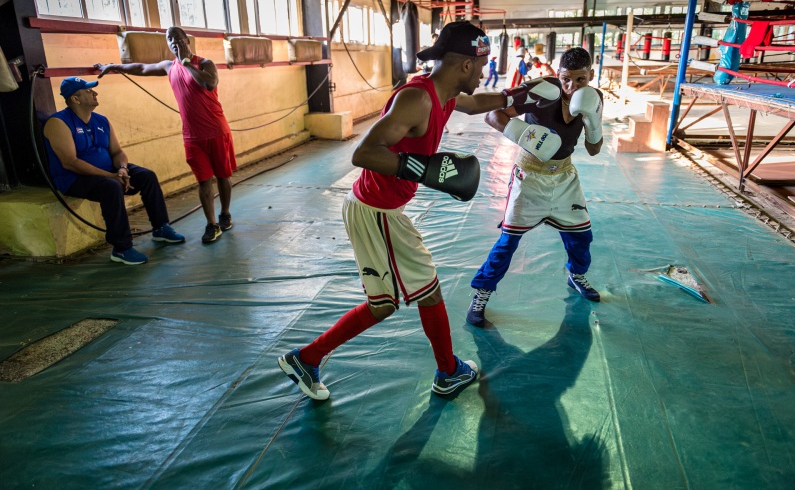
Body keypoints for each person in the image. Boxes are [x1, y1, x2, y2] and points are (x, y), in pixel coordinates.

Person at [278, 21, 558, 401]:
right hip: (375, 211)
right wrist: (423, 169)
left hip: (382, 210)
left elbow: (476, 104)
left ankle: (307, 358)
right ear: (463, 65)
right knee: (423, 290)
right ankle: (447, 372)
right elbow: (363, 153)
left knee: (385, 303)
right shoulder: (419, 99)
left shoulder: (442, 94)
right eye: (481, 64)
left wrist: (521, 95)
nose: (483, 71)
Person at [467, 47, 604, 327]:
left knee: (581, 237)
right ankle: (481, 294)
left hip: (565, 177)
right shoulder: (542, 90)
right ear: (558, 74)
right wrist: (526, 135)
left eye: (580, 80)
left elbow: (593, 149)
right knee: (508, 242)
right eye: (566, 79)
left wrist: (593, 121)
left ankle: (576, 275)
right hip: (528, 178)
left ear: (591, 75)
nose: (571, 87)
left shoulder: (594, 98)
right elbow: (493, 115)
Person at [95, 26, 235, 244]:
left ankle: (225, 213)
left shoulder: (204, 63)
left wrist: (187, 63)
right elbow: (141, 67)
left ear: (186, 40)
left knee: (223, 176)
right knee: (204, 180)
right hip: (192, 136)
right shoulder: (169, 66)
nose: (174, 42)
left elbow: (208, 83)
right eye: (170, 39)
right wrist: (113, 66)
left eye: (177, 38)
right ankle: (211, 224)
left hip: (216, 131)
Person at [43, 77, 185, 265]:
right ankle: (122, 248)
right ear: (76, 99)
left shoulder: (101, 120)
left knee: (146, 176)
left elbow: (117, 152)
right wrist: (111, 176)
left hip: (109, 172)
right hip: (74, 179)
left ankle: (161, 227)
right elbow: (70, 162)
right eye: (88, 91)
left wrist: (123, 170)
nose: (95, 93)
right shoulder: (58, 123)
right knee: (111, 187)